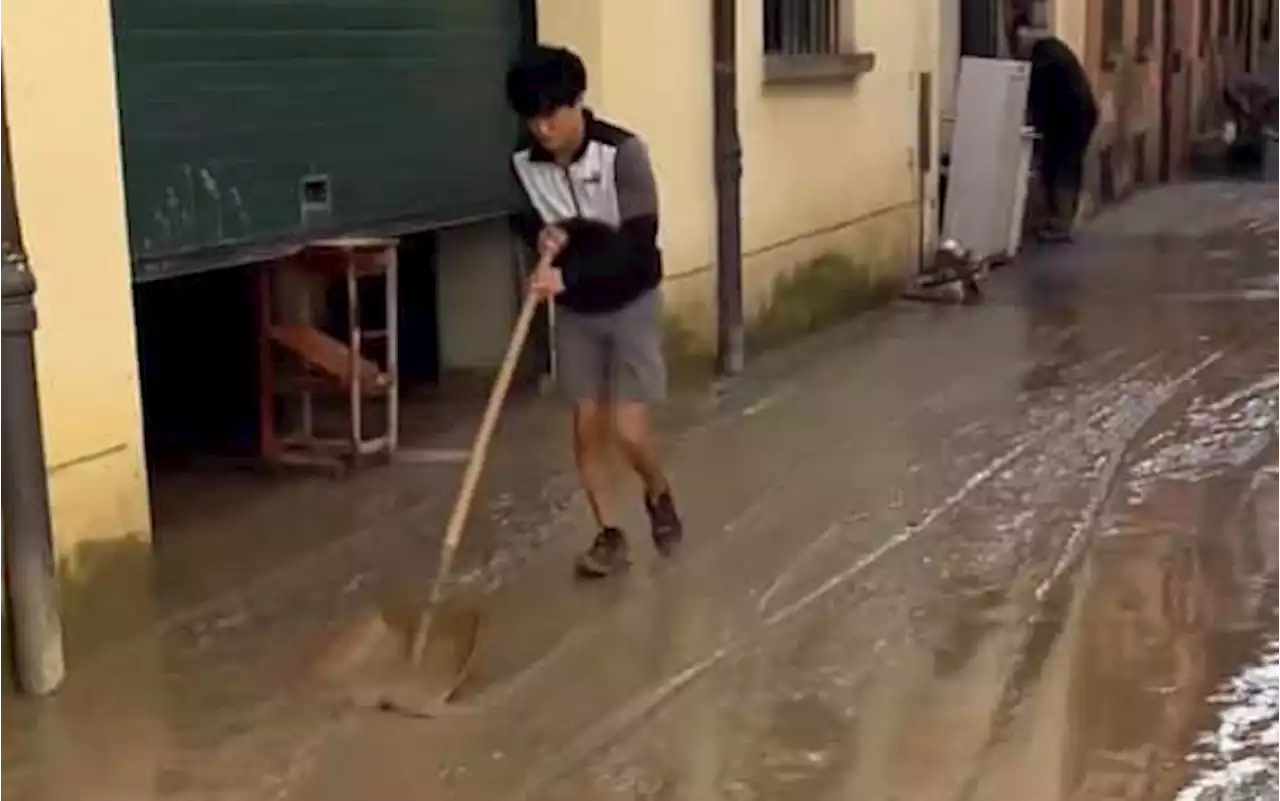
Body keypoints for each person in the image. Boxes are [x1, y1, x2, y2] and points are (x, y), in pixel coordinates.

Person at [504, 45, 683, 578]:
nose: (542, 128)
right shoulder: (523, 164)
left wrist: (569, 275)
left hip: (630, 300)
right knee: (586, 428)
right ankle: (610, 535)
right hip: (576, 312)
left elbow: (638, 246)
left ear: (577, 104)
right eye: (532, 118)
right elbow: (523, 218)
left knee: (629, 430)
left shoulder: (623, 154)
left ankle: (658, 492)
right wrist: (541, 234)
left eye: (551, 114)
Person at [1011, 16, 1099, 243]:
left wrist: (1031, 125)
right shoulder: (1054, 48)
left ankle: (1060, 222)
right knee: (1068, 165)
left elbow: (1038, 97)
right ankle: (1063, 218)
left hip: (1070, 118)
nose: (1018, 49)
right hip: (1080, 114)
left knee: (1058, 165)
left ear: (1025, 36)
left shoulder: (1043, 57)